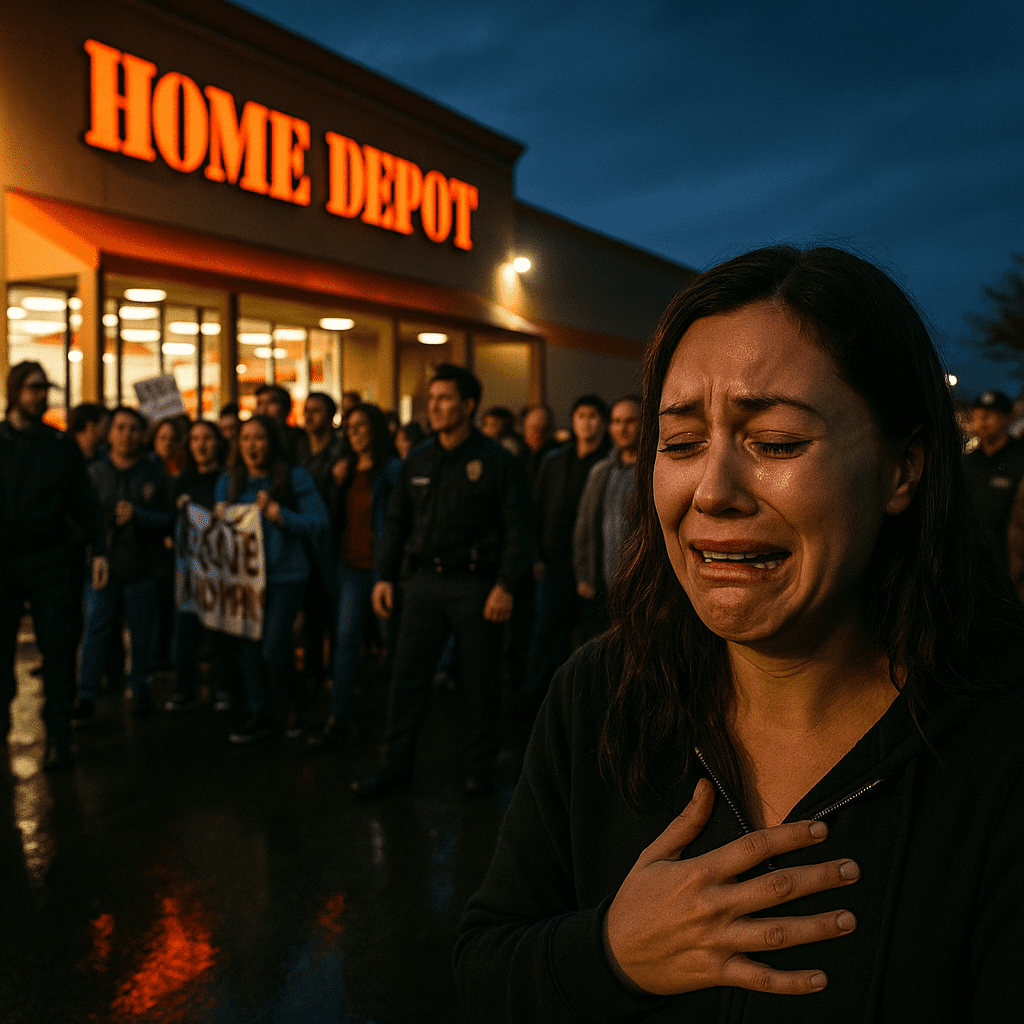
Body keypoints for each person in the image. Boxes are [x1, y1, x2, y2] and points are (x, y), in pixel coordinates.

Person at [454, 246, 1024, 1022]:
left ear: (902, 470)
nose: (713, 492)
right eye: (681, 442)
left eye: (777, 442)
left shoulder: (997, 745)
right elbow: (485, 966)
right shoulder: (601, 693)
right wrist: (610, 953)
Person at [351, 364, 534, 798]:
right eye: (431, 399)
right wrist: (384, 577)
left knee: (480, 682)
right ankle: (394, 767)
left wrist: (506, 584)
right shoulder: (418, 459)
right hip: (423, 584)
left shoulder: (496, 461)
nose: (434, 407)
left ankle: (479, 771)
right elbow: (396, 523)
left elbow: (519, 527)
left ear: (469, 406)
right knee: (407, 678)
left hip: (477, 586)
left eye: (444, 399)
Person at [0, 362, 105, 770]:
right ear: (15, 392)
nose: (40, 395)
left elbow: (84, 501)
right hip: (6, 557)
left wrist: (98, 546)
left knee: (58, 649)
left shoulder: (59, 446)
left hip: (51, 556)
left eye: (44, 388)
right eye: (32, 388)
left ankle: (59, 734)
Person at [215, 415, 330, 743]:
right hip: (245, 579)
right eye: (246, 438)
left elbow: (318, 524)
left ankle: (297, 708)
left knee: (273, 647)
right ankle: (261, 712)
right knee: (249, 647)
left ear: (273, 442)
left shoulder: (295, 478)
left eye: (259, 438)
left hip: (285, 575)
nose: (252, 445)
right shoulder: (230, 481)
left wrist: (280, 515)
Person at [308, 403, 400, 748]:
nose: (356, 433)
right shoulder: (342, 469)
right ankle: (338, 718)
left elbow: (397, 520)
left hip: (382, 568)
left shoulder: (391, 469)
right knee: (345, 643)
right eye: (350, 427)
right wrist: (335, 482)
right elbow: (332, 517)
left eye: (363, 426)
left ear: (376, 429)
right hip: (350, 567)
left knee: (394, 644)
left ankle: (398, 723)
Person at [75, 406, 173, 720]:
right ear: (110, 432)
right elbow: (79, 519)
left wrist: (139, 516)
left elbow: (170, 519)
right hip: (103, 567)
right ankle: (87, 695)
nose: (126, 435)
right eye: (120, 428)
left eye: (133, 428)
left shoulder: (155, 473)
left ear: (143, 435)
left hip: (143, 566)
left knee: (142, 632)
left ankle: (140, 688)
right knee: (96, 629)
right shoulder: (94, 473)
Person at [523, 394, 611, 711]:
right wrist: (536, 554)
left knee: (591, 638)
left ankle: (585, 704)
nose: (586, 422)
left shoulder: (609, 463)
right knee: (545, 633)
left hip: (593, 566)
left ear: (603, 423)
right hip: (554, 562)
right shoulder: (555, 460)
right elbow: (536, 509)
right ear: (572, 421)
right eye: (580, 415)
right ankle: (536, 699)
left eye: (593, 416)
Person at [165, 419, 228, 712]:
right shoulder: (182, 481)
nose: (201, 445)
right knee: (185, 633)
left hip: (222, 570)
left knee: (219, 633)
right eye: (195, 439)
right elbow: (167, 520)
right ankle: (184, 688)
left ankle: (222, 688)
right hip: (188, 570)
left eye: (207, 438)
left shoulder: (228, 480)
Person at [573, 395, 641, 636]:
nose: (622, 428)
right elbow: (584, 526)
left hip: (641, 586)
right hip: (603, 585)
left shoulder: (653, 470)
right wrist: (584, 576)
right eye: (616, 421)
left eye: (630, 421)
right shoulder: (601, 471)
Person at [963, 389, 1024, 570]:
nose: (982, 421)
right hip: (970, 565)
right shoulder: (967, 462)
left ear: (1008, 418)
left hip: (1010, 568)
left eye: (990, 415)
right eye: (978, 415)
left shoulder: (1020, 459)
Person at [255, 383, 310, 464]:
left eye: (270, 403)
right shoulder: (250, 438)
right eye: (260, 403)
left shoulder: (299, 439)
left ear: (285, 408)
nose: (263, 409)